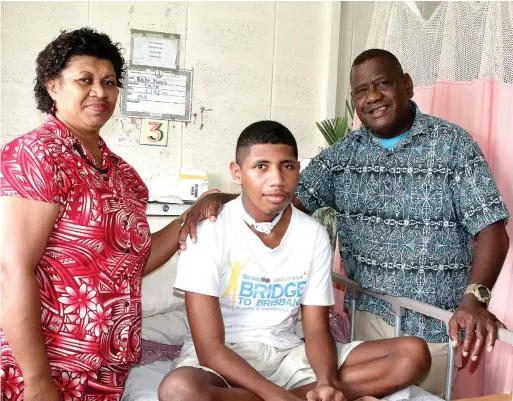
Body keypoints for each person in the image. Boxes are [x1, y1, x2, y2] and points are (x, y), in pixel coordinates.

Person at [176, 49, 510, 397]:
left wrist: (475, 299)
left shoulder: (452, 146)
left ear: (407, 85)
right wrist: (220, 202)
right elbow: (280, 198)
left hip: (435, 324)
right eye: (361, 91)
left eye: (382, 84)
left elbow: (492, 229)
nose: (373, 97)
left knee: (418, 374)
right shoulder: (342, 156)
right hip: (367, 316)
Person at [158, 121, 431, 401]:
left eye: (287, 166)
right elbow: (210, 349)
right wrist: (278, 398)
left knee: (412, 355)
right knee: (178, 390)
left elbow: (315, 329)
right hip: (223, 363)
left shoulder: (311, 233)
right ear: (237, 173)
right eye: (261, 166)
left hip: (288, 355)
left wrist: (326, 382)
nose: (277, 179)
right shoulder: (208, 231)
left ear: (298, 170)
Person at [0, 28, 203, 401]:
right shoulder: (38, 155)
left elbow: (131, 264)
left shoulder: (123, 175)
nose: (100, 91)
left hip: (108, 362)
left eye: (109, 82)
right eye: (85, 80)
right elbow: (13, 269)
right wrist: (36, 379)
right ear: (52, 87)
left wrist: (189, 219)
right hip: (50, 362)